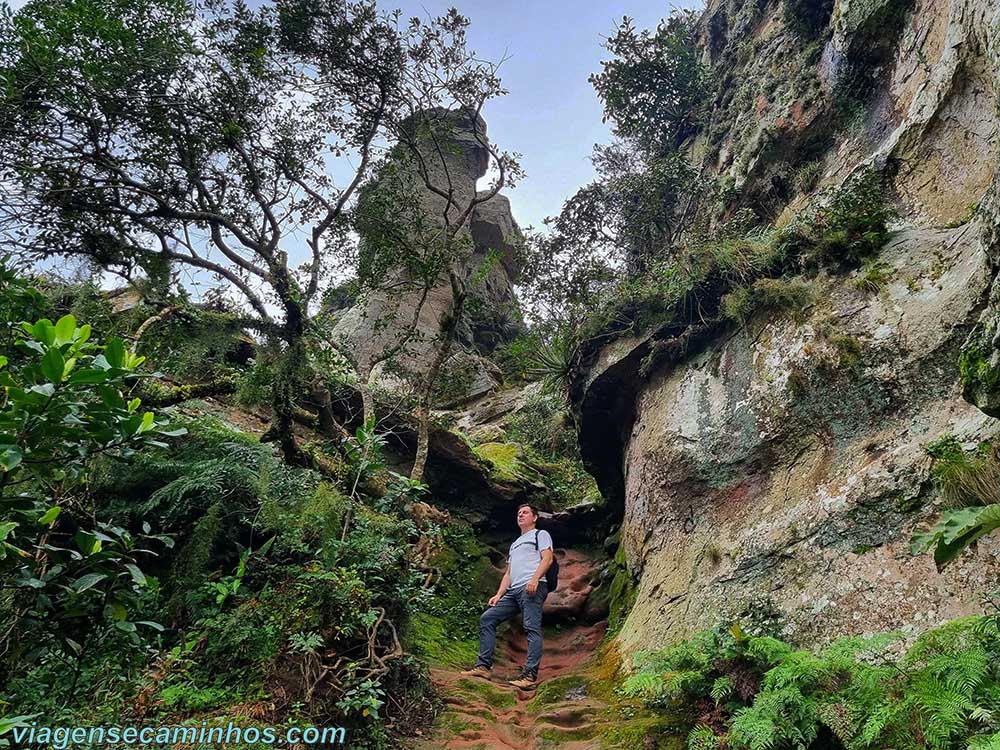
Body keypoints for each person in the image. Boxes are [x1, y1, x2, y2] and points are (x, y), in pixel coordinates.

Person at [461, 503, 554, 689]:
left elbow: (548, 558)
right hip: (513, 591)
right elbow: (508, 573)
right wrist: (498, 594)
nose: (521, 515)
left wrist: (535, 579)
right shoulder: (515, 544)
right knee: (488, 618)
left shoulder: (540, 535)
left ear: (534, 517)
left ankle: (529, 676)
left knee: (531, 627)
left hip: (533, 586)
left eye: (525, 512)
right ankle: (483, 667)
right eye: (519, 513)